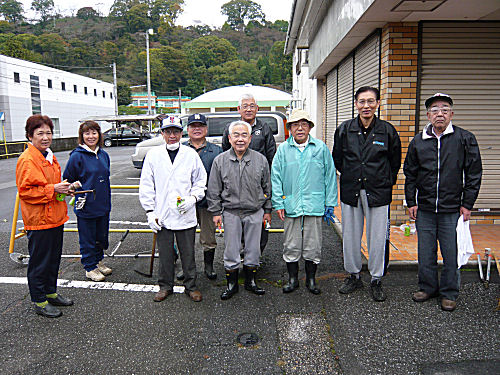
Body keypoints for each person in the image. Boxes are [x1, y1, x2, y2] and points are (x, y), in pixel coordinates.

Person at [404, 93, 482, 312]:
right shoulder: (419, 141)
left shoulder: (464, 138)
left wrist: (467, 204)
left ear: (451, 114)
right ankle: (428, 287)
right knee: (425, 251)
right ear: (428, 115)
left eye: (445, 109)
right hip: (425, 208)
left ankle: (449, 292)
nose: (440, 113)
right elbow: (410, 173)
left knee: (451, 253)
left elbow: (474, 173)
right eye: (435, 110)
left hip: (451, 209)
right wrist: (411, 201)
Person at [332, 86, 402, 302]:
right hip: (351, 189)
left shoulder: (387, 131)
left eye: (371, 101)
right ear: (356, 104)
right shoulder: (344, 129)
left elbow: (394, 162)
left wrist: (382, 181)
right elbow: (338, 159)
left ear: (378, 104)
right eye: (362, 101)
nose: (366, 106)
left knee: (377, 237)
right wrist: (353, 174)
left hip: (378, 191)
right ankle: (353, 275)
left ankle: (376, 279)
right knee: (351, 236)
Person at [139, 117, 207, 303]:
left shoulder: (190, 154)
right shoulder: (153, 155)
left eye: (175, 131)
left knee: (188, 254)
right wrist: (150, 212)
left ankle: (191, 286)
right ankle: (165, 286)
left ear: (181, 133)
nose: (172, 135)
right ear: (162, 133)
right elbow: (146, 184)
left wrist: (193, 198)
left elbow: (201, 181)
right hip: (162, 214)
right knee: (166, 254)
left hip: (185, 213)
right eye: (167, 131)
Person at [271, 109, 338, 295]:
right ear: (290, 128)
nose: (300, 128)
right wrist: (278, 202)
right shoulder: (283, 150)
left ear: (309, 127)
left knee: (313, 244)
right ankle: (292, 279)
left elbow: (329, 175)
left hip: (314, 204)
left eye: (304, 124)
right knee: (291, 244)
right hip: (291, 204)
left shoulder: (320, 148)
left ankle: (311, 279)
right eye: (295, 125)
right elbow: (275, 177)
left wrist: (329, 202)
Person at [16, 114, 74, 318]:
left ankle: (51, 292)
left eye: (48, 132)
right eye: (40, 133)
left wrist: (64, 189)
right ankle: (39, 300)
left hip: (55, 217)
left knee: (53, 259)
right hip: (39, 221)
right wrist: (54, 188)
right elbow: (26, 192)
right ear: (30, 136)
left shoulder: (49, 156)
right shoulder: (27, 159)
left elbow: (50, 187)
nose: (45, 137)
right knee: (40, 262)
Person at [207, 120, 272, 300]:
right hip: (230, 212)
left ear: (250, 138)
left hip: (255, 211)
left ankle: (251, 281)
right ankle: (232, 283)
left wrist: (267, 210)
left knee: (253, 249)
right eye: (236, 135)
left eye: (244, 135)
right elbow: (213, 189)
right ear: (229, 138)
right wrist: (215, 212)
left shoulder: (261, 160)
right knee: (231, 249)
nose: (240, 139)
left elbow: (267, 187)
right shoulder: (220, 161)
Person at [222, 93, 276, 254]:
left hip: (257, 182)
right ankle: (239, 255)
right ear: (239, 109)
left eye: (252, 106)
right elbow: (226, 153)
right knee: (236, 220)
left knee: (258, 222)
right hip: (235, 182)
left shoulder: (264, 128)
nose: (249, 109)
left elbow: (271, 155)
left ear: (257, 109)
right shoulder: (230, 129)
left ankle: (255, 255)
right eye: (245, 106)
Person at [63, 121, 112, 282]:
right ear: (82, 136)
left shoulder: (104, 155)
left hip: (103, 203)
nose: (91, 137)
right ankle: (90, 267)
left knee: (101, 236)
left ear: (99, 135)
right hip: (86, 204)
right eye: (87, 133)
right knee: (87, 237)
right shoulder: (77, 155)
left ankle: (98, 261)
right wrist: (73, 186)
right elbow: (67, 179)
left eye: (94, 133)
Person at [181, 113, 223, 280]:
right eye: (193, 126)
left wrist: (218, 204)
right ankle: (186, 268)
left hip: (208, 202)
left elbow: (220, 179)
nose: (197, 129)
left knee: (208, 237)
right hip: (185, 203)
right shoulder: (181, 149)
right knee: (185, 238)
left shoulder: (216, 151)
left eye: (200, 126)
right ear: (188, 129)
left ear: (206, 129)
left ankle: (208, 267)